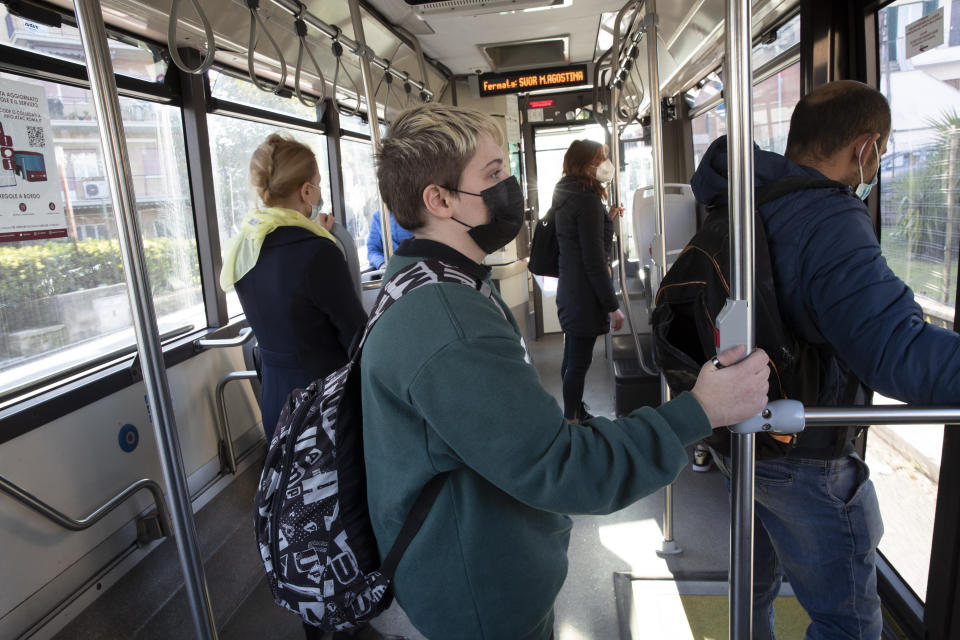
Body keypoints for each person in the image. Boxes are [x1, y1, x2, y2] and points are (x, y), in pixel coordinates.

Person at [362, 102, 771, 640]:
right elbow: (561, 467)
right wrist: (700, 410)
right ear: (438, 200)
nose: (511, 188)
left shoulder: (429, 281)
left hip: (475, 557)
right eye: (492, 176)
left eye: (506, 170)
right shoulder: (448, 322)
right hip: (484, 591)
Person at [690, 80, 960, 639]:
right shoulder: (829, 221)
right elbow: (897, 351)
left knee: (754, 590)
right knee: (849, 622)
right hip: (806, 452)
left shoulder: (744, 200)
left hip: (747, 440)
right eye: (879, 153)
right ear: (866, 148)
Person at [219, 133, 367, 442]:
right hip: (324, 397)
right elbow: (356, 336)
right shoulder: (318, 251)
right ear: (306, 191)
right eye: (318, 185)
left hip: (275, 395)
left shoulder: (245, 246)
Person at [553, 139, 625, 422]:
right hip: (585, 294)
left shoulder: (566, 193)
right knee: (579, 362)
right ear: (583, 165)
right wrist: (612, 306)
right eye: (600, 158)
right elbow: (594, 260)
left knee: (572, 357)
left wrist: (606, 218)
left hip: (570, 288)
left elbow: (578, 237)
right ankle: (572, 421)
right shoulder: (588, 200)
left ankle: (574, 412)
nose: (605, 165)